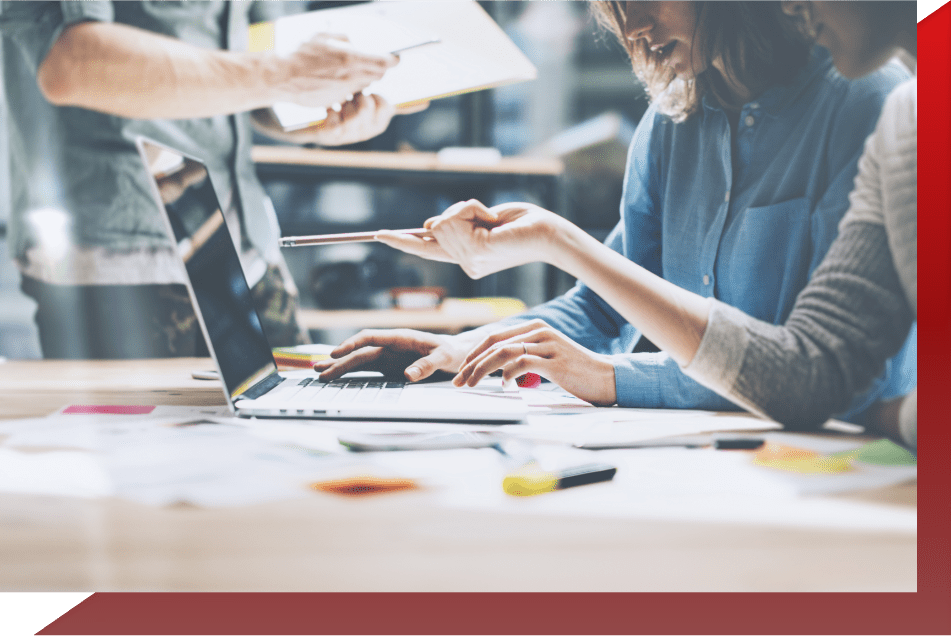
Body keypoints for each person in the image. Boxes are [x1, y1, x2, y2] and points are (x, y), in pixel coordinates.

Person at [314, 0, 915, 427]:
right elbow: (603, 305)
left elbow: (837, 376)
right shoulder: (672, 121)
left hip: (833, 460)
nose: (632, 24)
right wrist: (461, 353)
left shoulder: (872, 103)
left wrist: (611, 377)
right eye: (614, 2)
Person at [0, 0, 421, 358]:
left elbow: (250, 65)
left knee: (295, 437)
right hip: (125, 260)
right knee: (151, 452)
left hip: (248, 245)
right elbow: (73, 62)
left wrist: (314, 117)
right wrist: (282, 74)